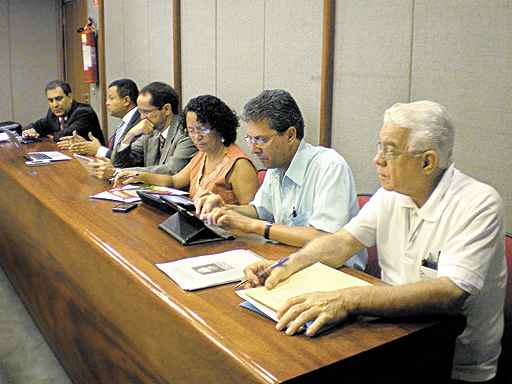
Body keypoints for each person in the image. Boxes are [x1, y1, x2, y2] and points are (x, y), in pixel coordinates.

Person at [243, 101, 506, 384]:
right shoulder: (391, 193)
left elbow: (449, 293)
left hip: (451, 358)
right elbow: (342, 242)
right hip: (390, 334)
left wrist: (349, 300)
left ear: (427, 161)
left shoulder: (478, 202)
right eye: (379, 147)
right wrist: (286, 265)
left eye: (389, 151)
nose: (376, 160)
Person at [197, 89, 365, 270]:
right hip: (289, 262)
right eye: (250, 139)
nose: (253, 149)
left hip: (334, 272)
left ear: (290, 135)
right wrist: (224, 209)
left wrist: (253, 226)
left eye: (261, 139)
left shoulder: (329, 166)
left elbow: (325, 239)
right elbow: (259, 211)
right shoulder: (276, 166)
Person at [115, 95, 259, 205]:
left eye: (203, 129)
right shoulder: (203, 154)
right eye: (191, 130)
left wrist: (222, 209)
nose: (196, 137)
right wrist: (140, 176)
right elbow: (174, 181)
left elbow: (253, 212)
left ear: (220, 126)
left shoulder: (239, 165)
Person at [61, 79, 140, 165]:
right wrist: (86, 146)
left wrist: (98, 149)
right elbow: (114, 152)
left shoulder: (139, 123)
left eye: (111, 98)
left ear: (126, 101)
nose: (107, 103)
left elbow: (132, 159)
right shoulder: (125, 121)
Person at [22, 80, 104, 145]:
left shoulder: (84, 112)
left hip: (94, 160)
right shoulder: (52, 113)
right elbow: (39, 126)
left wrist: (49, 135)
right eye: (51, 100)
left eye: (58, 99)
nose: (55, 105)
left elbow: (65, 135)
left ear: (70, 97)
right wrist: (30, 131)